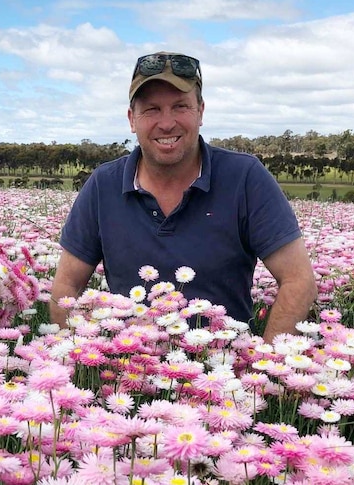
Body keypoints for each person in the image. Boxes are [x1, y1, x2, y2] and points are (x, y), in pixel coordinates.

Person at [50, 52, 317, 343]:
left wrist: (264, 365)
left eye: (180, 106)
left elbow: (299, 281)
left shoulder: (245, 177)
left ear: (200, 112)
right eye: (151, 109)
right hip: (126, 368)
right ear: (132, 119)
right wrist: (76, 361)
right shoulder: (104, 184)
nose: (166, 123)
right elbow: (66, 284)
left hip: (224, 368)